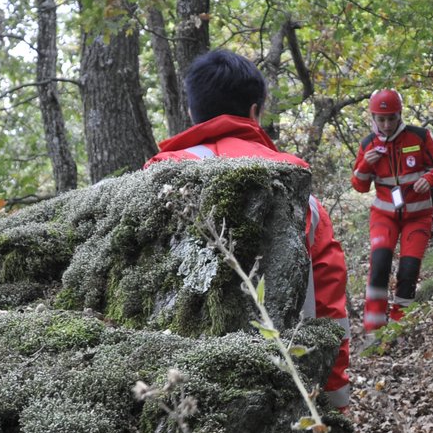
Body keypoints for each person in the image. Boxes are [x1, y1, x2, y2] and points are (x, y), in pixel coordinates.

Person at [146, 49, 352, 411]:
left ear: (192, 112)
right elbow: (327, 297)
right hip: (285, 388)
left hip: (174, 391)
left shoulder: (156, 179)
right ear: (255, 110)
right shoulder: (295, 183)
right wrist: (335, 395)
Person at [351, 88, 433, 336]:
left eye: (391, 118)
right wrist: (365, 163)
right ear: (372, 118)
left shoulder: (419, 136)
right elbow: (360, 186)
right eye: (380, 119)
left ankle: (399, 324)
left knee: (408, 269)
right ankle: (373, 327)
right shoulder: (367, 144)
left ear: (399, 115)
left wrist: (430, 178)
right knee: (380, 263)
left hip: (418, 215)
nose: (385, 124)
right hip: (384, 216)